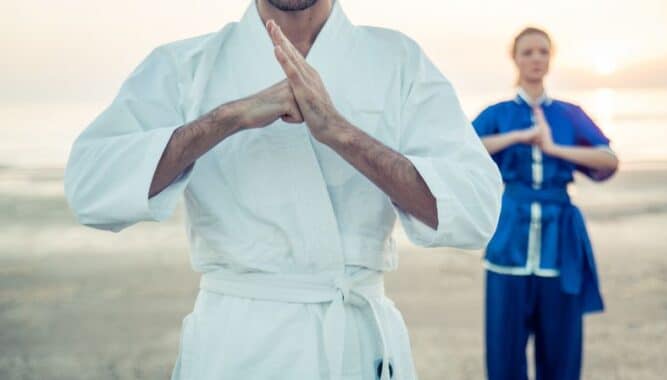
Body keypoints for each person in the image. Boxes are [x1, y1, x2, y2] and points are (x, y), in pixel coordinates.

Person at [64, 1, 503, 379]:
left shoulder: (398, 60)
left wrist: (340, 133)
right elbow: (90, 187)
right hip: (238, 342)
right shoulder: (186, 66)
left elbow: (475, 210)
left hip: (357, 339)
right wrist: (228, 118)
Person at [472, 27, 619, 380]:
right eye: (528, 52)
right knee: (504, 352)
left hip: (560, 243)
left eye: (542, 51)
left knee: (561, 352)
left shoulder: (570, 113)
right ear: (515, 59)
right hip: (509, 242)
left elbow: (608, 160)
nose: (536, 58)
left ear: (550, 58)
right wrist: (520, 137)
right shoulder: (499, 113)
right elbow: (463, 150)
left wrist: (554, 149)